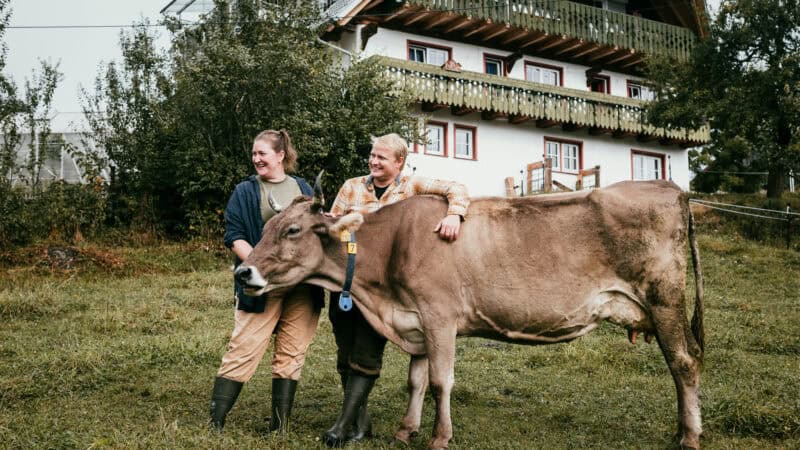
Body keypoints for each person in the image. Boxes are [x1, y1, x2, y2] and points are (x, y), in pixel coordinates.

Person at [322, 133, 469, 446]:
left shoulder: (411, 186)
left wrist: (455, 213)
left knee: (367, 352)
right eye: (372, 156)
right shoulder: (351, 186)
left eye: (382, 158)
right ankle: (360, 421)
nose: (373, 162)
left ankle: (344, 424)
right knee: (344, 353)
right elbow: (332, 227)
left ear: (399, 162)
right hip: (348, 281)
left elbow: (456, 188)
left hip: (385, 288)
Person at [210, 129, 325, 433]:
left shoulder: (302, 188)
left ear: (280, 156)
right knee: (244, 347)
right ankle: (216, 422)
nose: (256, 159)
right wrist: (257, 268)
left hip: (302, 288)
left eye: (262, 153)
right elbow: (233, 236)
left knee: (292, 351)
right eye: (254, 153)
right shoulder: (245, 191)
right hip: (261, 285)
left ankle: (280, 426)